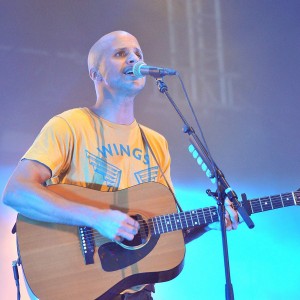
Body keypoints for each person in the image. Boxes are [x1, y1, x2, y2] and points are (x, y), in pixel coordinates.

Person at [2, 30, 239, 300]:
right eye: (120, 53)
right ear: (96, 73)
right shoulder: (70, 125)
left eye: (138, 53)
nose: (133, 59)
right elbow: (16, 191)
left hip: (138, 293)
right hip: (81, 288)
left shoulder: (156, 142)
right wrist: (96, 217)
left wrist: (208, 224)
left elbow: (157, 232)